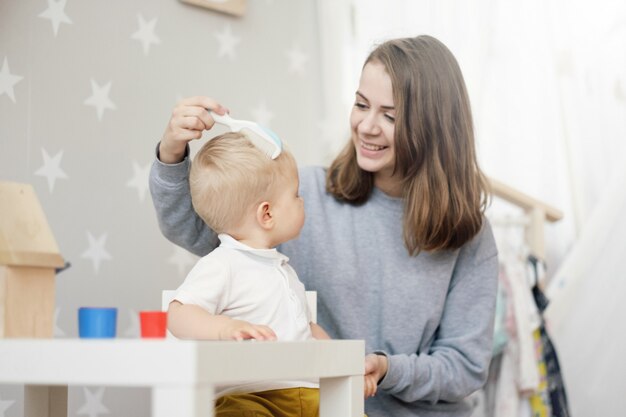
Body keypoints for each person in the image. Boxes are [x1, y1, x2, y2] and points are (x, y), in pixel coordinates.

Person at [150, 35, 499, 417]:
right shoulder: (301, 197)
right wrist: (172, 154)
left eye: (390, 115)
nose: (366, 126)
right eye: (361, 104)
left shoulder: (470, 235)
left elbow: (464, 367)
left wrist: (387, 369)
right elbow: (196, 230)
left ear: (434, 126)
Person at [167, 131, 330, 416]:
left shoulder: (284, 269)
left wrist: (346, 362)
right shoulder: (223, 264)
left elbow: (307, 330)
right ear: (267, 214)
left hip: (310, 396)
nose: (302, 201)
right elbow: (178, 315)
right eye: (296, 195)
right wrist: (225, 328)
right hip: (250, 396)